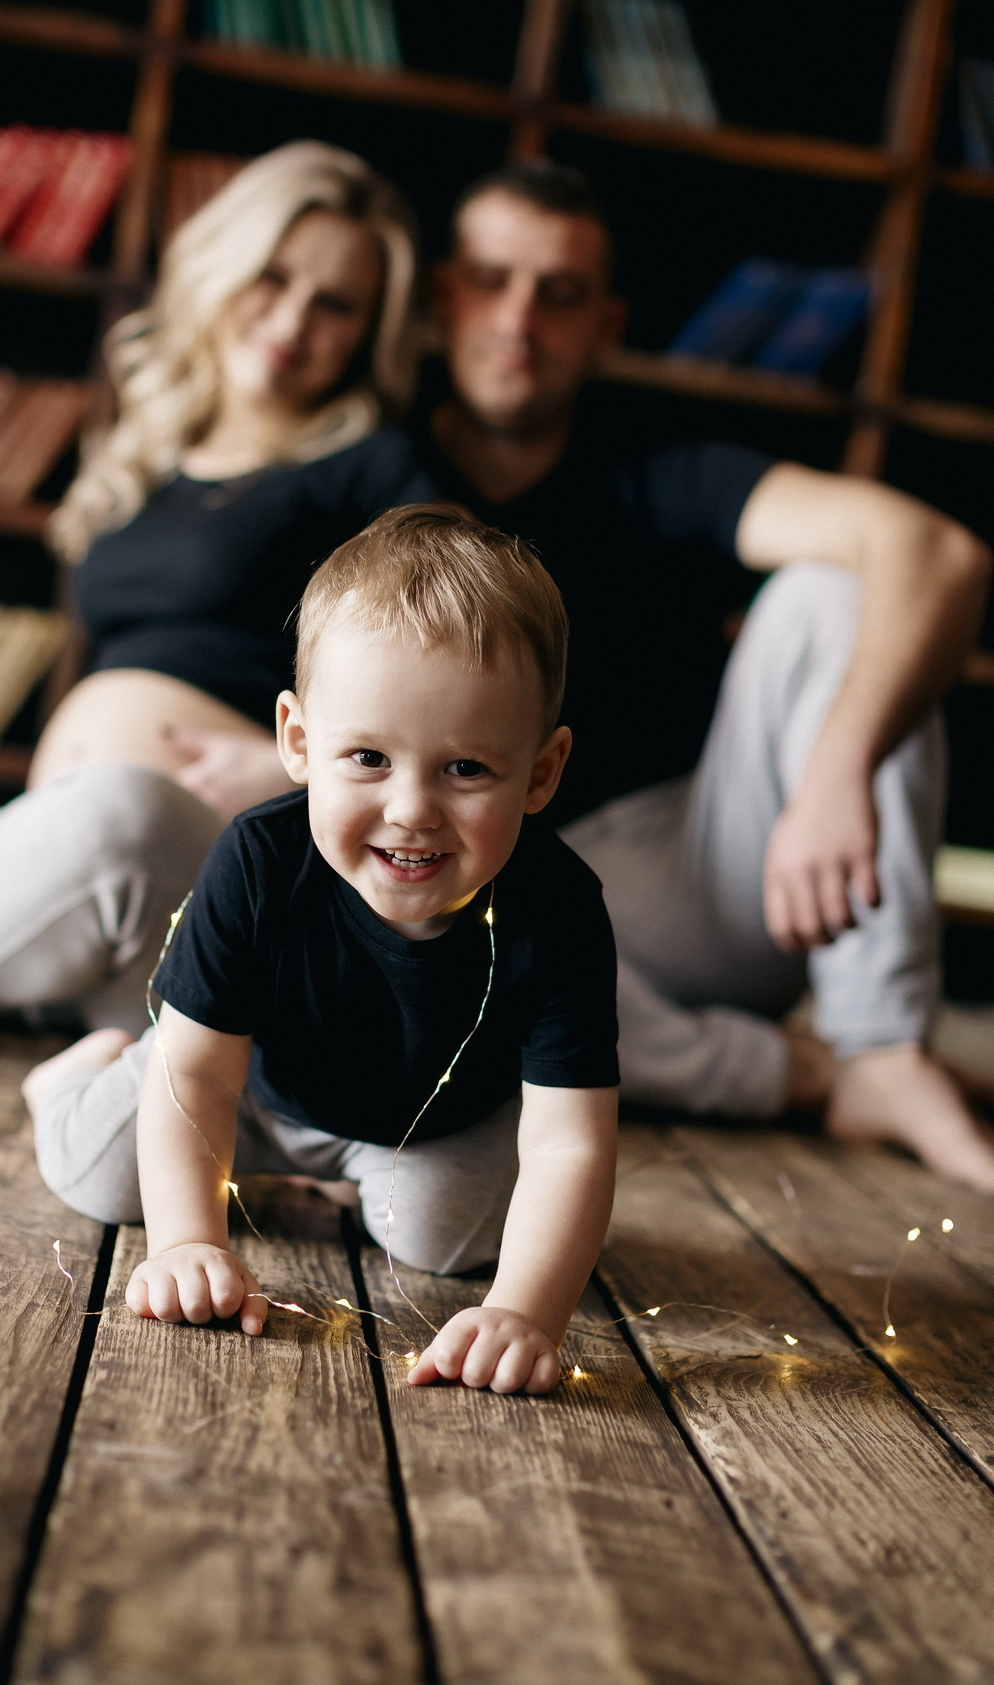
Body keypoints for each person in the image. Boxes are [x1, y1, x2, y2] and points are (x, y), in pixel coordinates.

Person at [421, 158, 994, 1190]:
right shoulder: (373, 467)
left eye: (561, 294)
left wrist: (836, 770)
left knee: (838, 587)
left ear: (607, 325)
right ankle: (799, 1074)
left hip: (690, 870)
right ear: (440, 295)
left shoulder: (660, 469)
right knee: (436, 958)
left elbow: (937, 553)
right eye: (492, 279)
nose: (519, 319)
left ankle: (879, 1041)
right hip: (467, 881)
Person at [0, 142, 432, 1036]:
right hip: (35, 842)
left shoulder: (371, 471)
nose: (292, 320)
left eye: (336, 305)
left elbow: (448, 677)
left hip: (192, 868)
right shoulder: (153, 448)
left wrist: (302, 774)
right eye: (273, 277)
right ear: (222, 267)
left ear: (370, 332)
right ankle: (12, 965)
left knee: (118, 809)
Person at [25, 507, 619, 1396]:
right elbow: (197, 1079)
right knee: (107, 1173)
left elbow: (571, 1143)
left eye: (465, 769)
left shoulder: (560, 909)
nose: (412, 808)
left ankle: (344, 1189)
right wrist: (189, 1245)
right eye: (369, 757)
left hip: (422, 1124)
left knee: (446, 1240)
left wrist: (525, 1313)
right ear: (299, 743)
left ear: (541, 770)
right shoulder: (259, 861)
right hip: (249, 1087)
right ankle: (67, 1080)